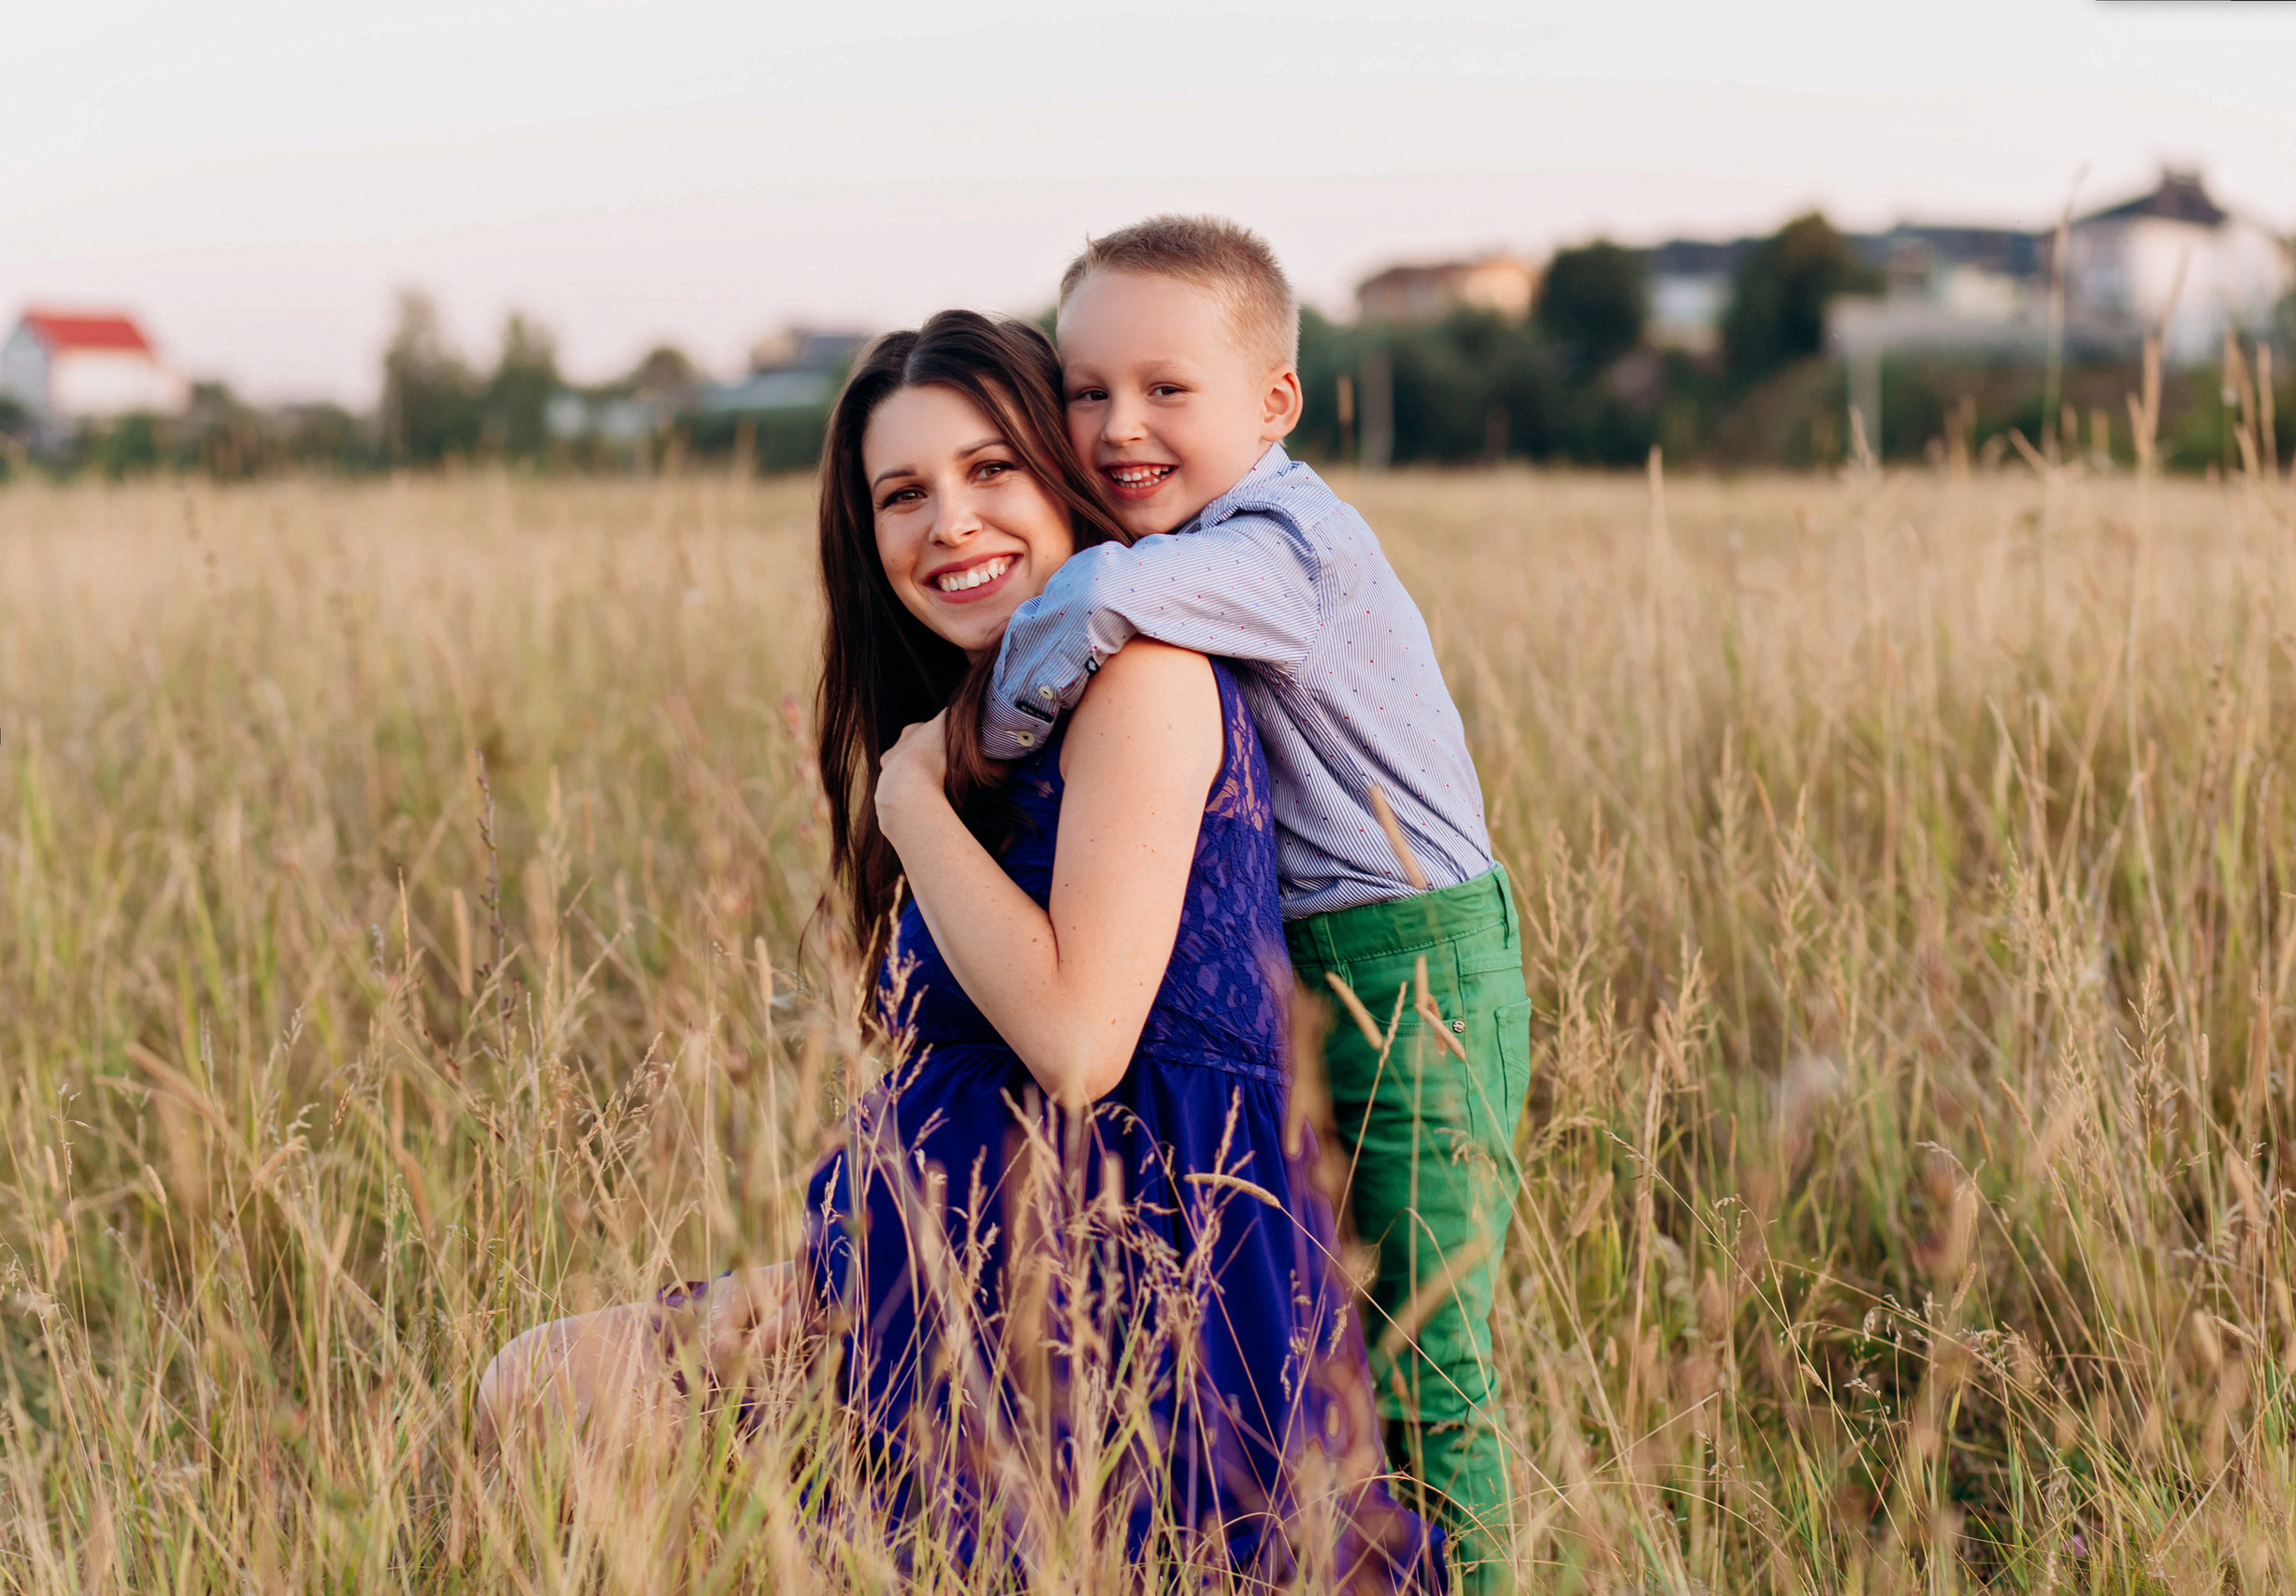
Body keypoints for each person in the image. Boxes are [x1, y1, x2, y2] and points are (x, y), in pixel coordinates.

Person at [478, 309, 1446, 1590]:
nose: (950, 523)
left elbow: (1080, 1043)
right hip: (929, 1270)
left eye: (991, 470)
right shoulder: (990, 713)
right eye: (903, 494)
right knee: (550, 1384)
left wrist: (911, 807)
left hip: (1124, 1302)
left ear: (1064, 476)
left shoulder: (1142, 680)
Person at [977, 217, 1532, 1591]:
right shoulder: (1219, 531)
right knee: (1326, 1318)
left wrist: (979, 739)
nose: (1118, 427)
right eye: (1086, 391)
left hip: (1411, 965)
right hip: (1319, 962)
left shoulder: (1283, 545)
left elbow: (1103, 601)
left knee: (1422, 1347)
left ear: (1275, 401)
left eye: (1167, 388)